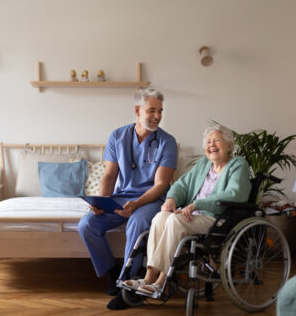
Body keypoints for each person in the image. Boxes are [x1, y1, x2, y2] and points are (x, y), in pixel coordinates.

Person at [122, 124, 251, 298]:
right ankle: (148, 277)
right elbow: (181, 185)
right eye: (208, 141)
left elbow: (235, 194)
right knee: (161, 217)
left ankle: (161, 282)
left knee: (175, 221)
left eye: (217, 140)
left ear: (229, 145)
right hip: (192, 216)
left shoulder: (238, 165)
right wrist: (171, 200)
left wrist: (197, 205)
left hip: (217, 219)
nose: (211, 145)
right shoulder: (203, 164)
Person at [77, 88, 178, 310]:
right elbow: (109, 175)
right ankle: (111, 271)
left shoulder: (167, 142)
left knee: (138, 222)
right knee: (87, 224)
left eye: (160, 111)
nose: (157, 116)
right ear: (137, 110)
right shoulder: (118, 136)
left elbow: (161, 184)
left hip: (152, 199)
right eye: (152, 110)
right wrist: (100, 202)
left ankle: (128, 285)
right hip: (122, 197)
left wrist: (137, 204)